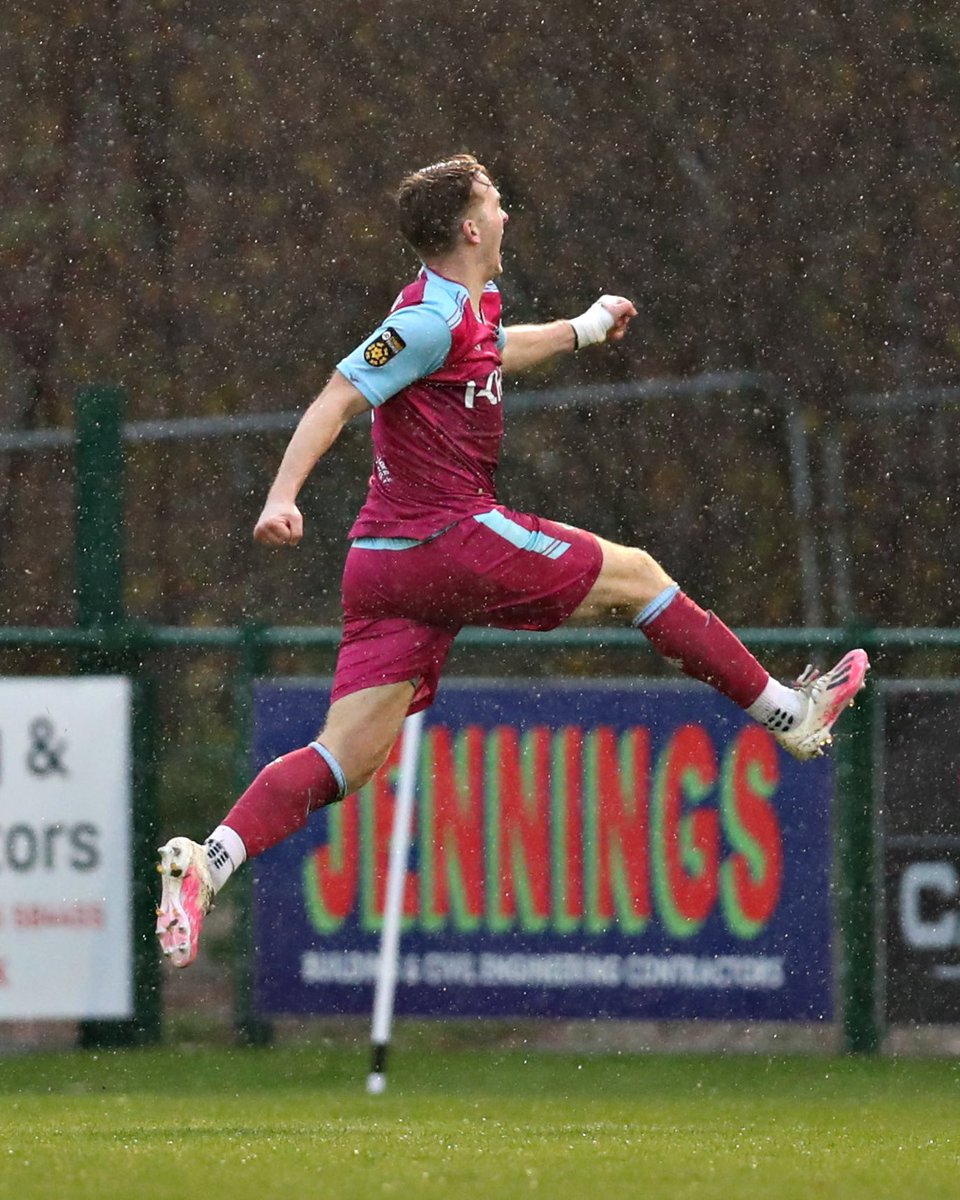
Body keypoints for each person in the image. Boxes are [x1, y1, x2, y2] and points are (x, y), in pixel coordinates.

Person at [156, 154, 868, 967]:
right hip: (445, 541)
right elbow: (340, 393)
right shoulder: (426, 319)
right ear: (469, 228)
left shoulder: (461, 312)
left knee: (344, 760)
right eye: (494, 204)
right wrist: (281, 497)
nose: (506, 215)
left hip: (384, 568)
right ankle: (789, 714)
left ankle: (208, 863)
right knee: (637, 575)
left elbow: (491, 350)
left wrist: (582, 329)